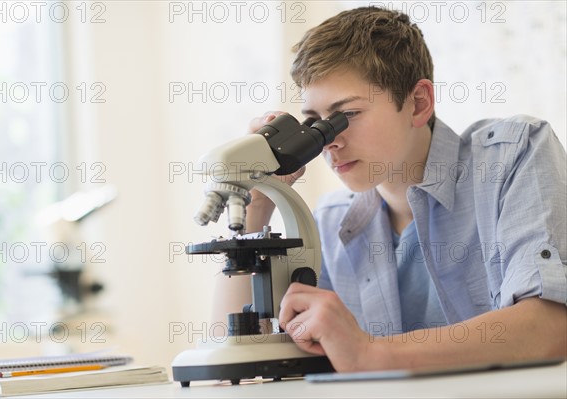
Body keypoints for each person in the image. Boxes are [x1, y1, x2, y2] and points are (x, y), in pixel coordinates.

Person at [213, 6, 567, 372]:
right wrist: (259, 200)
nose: (329, 141)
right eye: (314, 123)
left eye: (345, 115)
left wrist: (371, 352)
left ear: (418, 103)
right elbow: (236, 360)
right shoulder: (331, 225)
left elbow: (550, 327)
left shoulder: (513, 158)